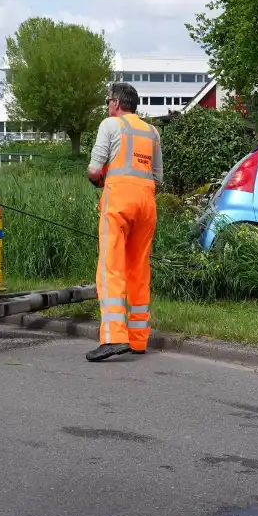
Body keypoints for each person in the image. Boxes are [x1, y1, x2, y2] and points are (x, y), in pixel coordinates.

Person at [85, 82, 164, 362]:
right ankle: (139, 339)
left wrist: (97, 178)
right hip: (146, 205)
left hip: (118, 202)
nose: (108, 106)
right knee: (139, 269)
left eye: (108, 101)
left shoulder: (110, 124)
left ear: (117, 103)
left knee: (111, 268)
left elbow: (95, 169)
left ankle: (114, 337)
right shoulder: (152, 131)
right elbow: (157, 178)